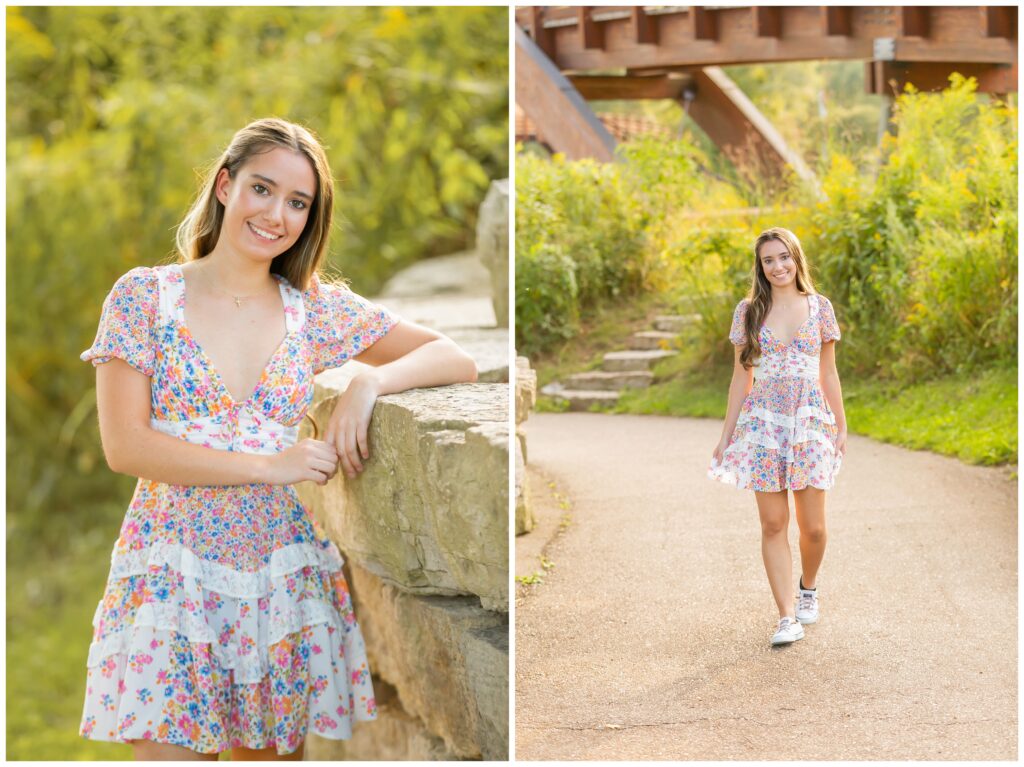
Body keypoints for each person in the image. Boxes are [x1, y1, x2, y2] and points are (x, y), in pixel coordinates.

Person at [78, 118, 478, 760]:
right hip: (171, 568)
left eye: (299, 203)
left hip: (276, 576)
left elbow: (453, 356)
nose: (277, 215)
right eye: (263, 189)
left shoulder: (310, 308)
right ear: (224, 184)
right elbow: (126, 446)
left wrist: (366, 386)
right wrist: (270, 464)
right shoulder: (143, 298)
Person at [708, 227, 846, 647]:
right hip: (764, 424)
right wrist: (726, 434)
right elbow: (739, 377)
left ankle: (809, 587)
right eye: (769, 260)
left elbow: (828, 372)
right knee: (773, 524)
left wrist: (841, 425)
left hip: (809, 422)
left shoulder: (819, 307)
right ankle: (787, 617)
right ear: (760, 266)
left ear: (796, 258)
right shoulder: (748, 311)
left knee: (814, 529)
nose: (778, 266)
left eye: (784, 257)